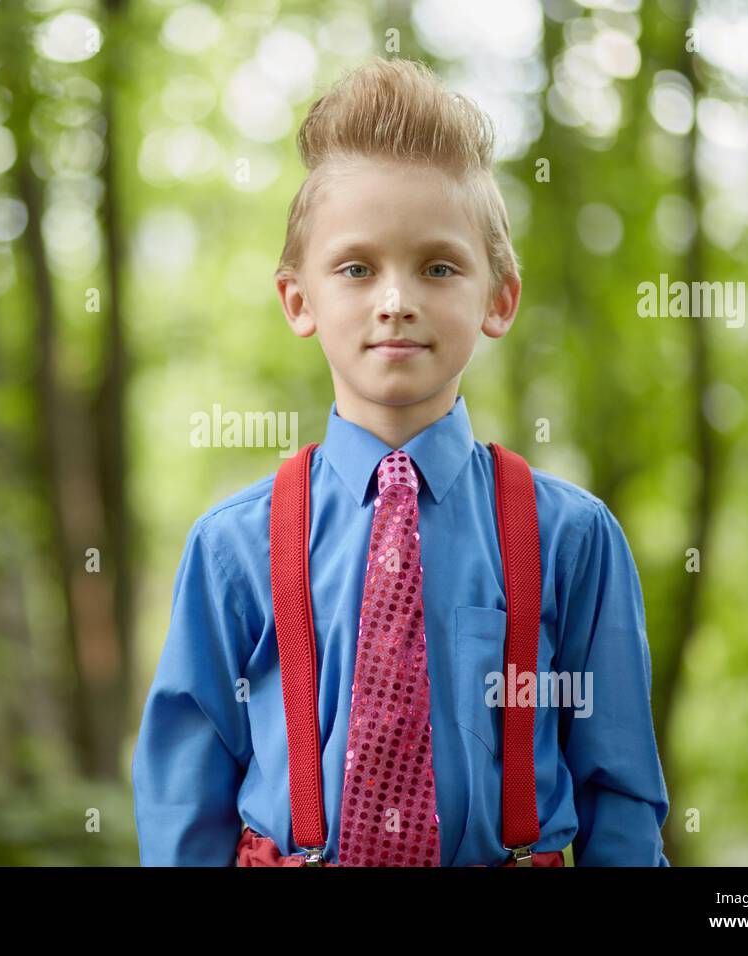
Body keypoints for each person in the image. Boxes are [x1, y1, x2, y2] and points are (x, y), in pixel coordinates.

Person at [131, 57, 670, 866]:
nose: (395, 299)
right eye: (356, 268)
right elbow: (183, 802)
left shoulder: (573, 538)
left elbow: (620, 795)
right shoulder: (231, 547)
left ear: (499, 299)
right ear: (299, 300)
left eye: (438, 267)